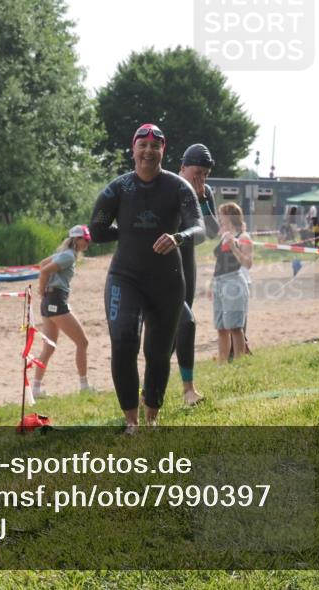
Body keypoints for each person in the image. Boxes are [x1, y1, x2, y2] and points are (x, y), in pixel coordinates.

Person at [89, 123, 205, 434]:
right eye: (143, 145)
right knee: (124, 341)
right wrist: (128, 234)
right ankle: (131, 422)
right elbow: (96, 230)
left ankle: (151, 417)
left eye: (155, 146)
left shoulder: (178, 186)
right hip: (125, 277)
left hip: (166, 279)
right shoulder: (118, 188)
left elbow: (200, 228)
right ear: (134, 149)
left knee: (157, 352)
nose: (148, 151)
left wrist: (178, 237)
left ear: (163, 151)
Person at [175, 143, 221, 406]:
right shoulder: (170, 186)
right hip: (164, 264)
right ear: (183, 168)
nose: (201, 179)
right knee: (182, 322)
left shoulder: (206, 193)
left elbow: (213, 232)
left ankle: (183, 390)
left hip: (187, 263)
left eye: (205, 174)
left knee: (181, 327)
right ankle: (187, 390)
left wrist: (203, 200)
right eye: (197, 173)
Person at [32, 225, 94, 398]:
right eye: (85, 239)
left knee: (49, 347)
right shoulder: (68, 256)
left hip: (50, 302)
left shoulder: (63, 254)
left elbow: (42, 263)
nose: (88, 242)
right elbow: (44, 270)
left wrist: (45, 291)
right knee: (83, 342)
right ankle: (84, 386)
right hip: (56, 301)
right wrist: (41, 288)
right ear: (77, 239)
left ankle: (36, 389)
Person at [213, 202, 253, 364]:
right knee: (221, 327)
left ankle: (239, 362)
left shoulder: (243, 237)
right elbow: (220, 261)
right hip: (219, 282)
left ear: (229, 215)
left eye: (221, 214)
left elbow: (248, 263)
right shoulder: (224, 233)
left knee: (235, 327)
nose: (219, 218)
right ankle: (222, 363)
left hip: (234, 281)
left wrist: (233, 246)